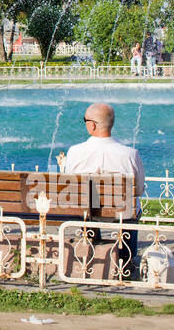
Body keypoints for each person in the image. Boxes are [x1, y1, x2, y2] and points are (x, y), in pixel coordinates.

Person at [62, 102, 146, 279]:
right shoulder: (130, 154)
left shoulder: (75, 152)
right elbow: (138, 189)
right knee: (131, 208)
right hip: (121, 213)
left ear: (92, 125)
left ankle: (92, 253)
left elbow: (70, 188)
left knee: (86, 206)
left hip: (86, 212)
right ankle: (126, 260)